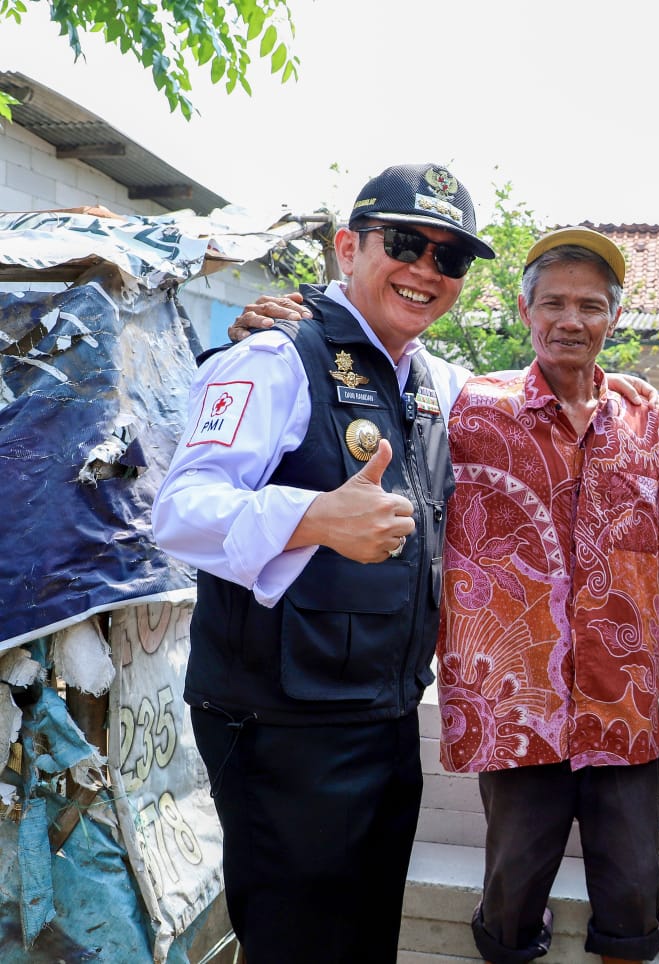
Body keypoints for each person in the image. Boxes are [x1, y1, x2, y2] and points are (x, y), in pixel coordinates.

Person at [153, 163, 495, 962]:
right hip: (281, 724)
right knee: (297, 944)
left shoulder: (431, 384)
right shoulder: (274, 357)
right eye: (406, 243)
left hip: (380, 714)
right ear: (348, 247)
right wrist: (312, 516)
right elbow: (180, 510)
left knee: (365, 939)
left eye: (449, 259)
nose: (425, 271)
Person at [437, 226, 659, 964]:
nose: (571, 320)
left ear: (612, 319)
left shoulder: (644, 415)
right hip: (518, 704)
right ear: (526, 314)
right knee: (512, 885)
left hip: (619, 702)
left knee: (631, 893)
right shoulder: (472, 411)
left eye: (590, 305)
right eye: (553, 303)